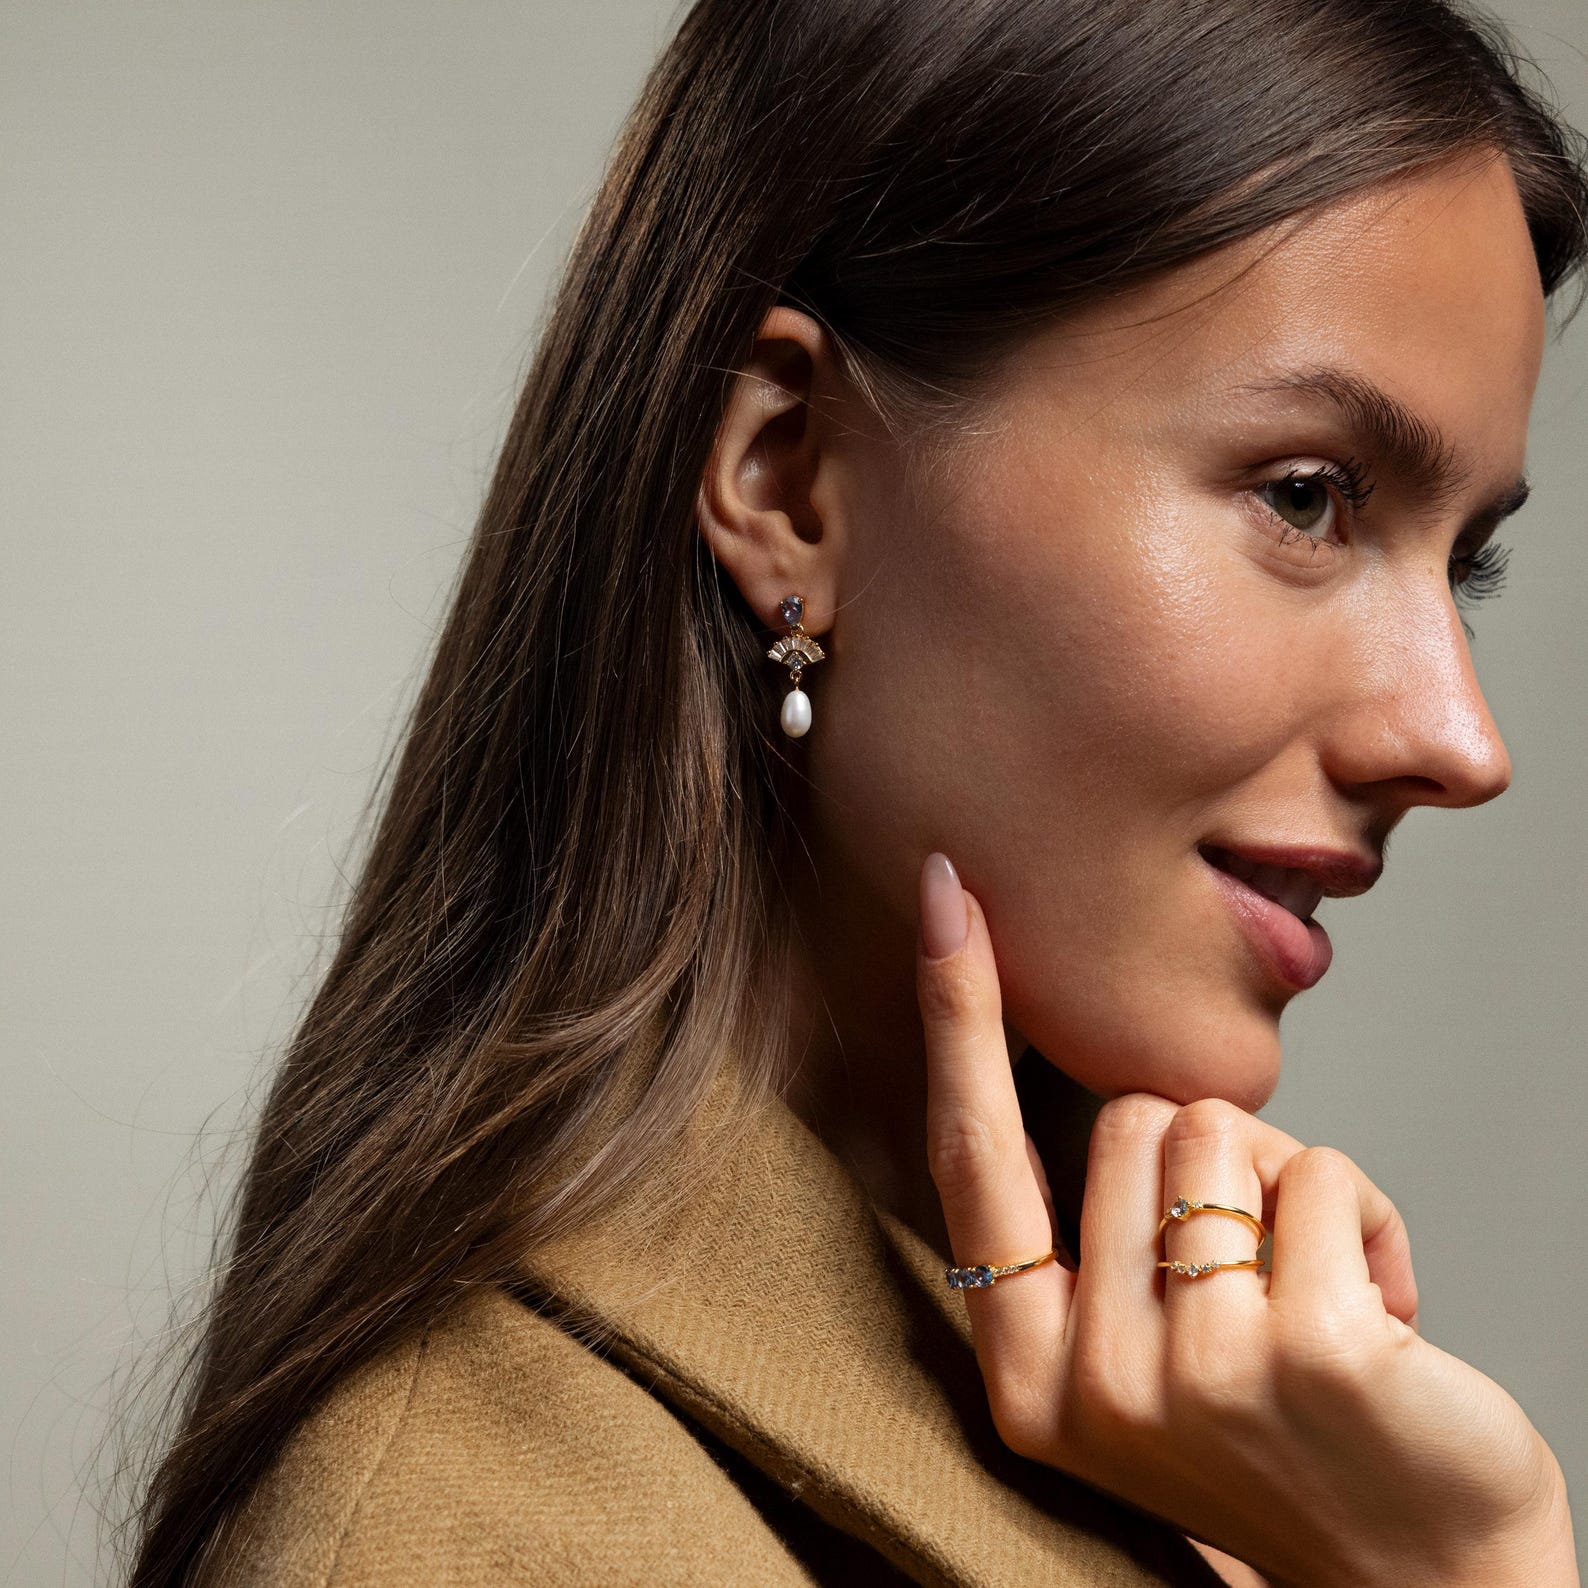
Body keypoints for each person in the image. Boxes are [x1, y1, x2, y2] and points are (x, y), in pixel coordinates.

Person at [118, 0, 1588, 1583]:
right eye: (1306, 498)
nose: (1461, 739)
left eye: (1465, 565)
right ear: (788, 478)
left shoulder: (1235, 1437)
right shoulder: (474, 1533)